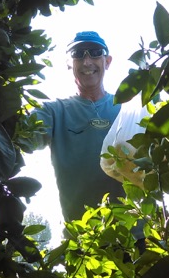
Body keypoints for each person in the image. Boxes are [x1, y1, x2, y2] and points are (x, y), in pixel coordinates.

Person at [30, 30, 145, 250]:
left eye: (95, 53)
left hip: (137, 235)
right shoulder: (53, 112)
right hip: (83, 242)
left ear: (107, 61)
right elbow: (21, 138)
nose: (87, 61)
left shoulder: (128, 110)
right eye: (78, 54)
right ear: (68, 63)